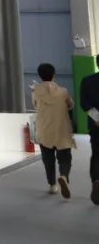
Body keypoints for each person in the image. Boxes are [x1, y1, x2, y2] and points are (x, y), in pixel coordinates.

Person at [32, 63, 75, 198]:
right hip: (62, 129)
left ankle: (52, 185)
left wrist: (35, 89)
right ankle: (64, 176)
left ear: (40, 75)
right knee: (65, 158)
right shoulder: (63, 91)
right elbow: (70, 106)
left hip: (44, 130)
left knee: (48, 159)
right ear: (54, 75)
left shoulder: (36, 92)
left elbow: (35, 106)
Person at [81, 54, 99, 205]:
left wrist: (97, 118)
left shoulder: (87, 80)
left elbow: (84, 103)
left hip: (95, 125)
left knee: (97, 154)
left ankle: (96, 180)